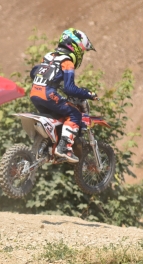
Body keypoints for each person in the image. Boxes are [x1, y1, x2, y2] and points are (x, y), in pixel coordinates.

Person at [29, 28, 97, 163]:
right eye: (82, 51)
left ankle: (49, 146)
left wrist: (53, 82)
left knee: (58, 117)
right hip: (48, 94)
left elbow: (33, 72)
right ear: (75, 47)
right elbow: (69, 88)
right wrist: (88, 94)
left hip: (35, 93)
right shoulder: (67, 62)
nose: (81, 54)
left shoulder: (49, 56)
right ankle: (64, 148)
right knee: (74, 114)